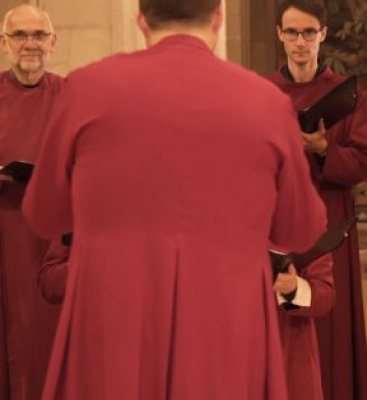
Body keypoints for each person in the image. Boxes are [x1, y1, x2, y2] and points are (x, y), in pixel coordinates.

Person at [22, 0, 327, 398]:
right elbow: (300, 229)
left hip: (113, 320)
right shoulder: (266, 102)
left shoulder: (85, 88)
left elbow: (44, 214)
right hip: (223, 322)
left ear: (141, 19)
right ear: (218, 18)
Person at [38, 238, 336, 400]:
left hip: (277, 356)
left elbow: (323, 294)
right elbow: (51, 281)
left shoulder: (298, 209)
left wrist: (293, 289)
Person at [267, 1, 367, 399]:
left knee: (331, 328)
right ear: (279, 34)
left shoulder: (346, 94)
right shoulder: (264, 93)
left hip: (330, 223)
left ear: (323, 35)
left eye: (309, 33)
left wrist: (323, 148)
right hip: (276, 225)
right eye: (292, 33)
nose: (300, 42)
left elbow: (365, 162)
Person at [0, 5, 61, 399]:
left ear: (53, 42)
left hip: (53, 240)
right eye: (20, 35)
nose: (30, 44)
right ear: (4, 44)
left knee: (46, 344)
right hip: (5, 234)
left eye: (38, 36)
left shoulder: (74, 95)